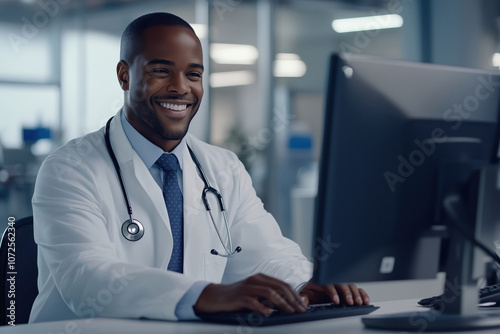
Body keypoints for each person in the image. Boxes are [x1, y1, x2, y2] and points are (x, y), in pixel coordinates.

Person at [29, 12, 369, 323]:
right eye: (160, 71)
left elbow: (266, 253)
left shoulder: (223, 168)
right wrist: (205, 295)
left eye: (194, 74)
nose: (181, 87)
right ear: (124, 76)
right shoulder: (68, 170)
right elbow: (87, 278)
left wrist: (301, 284)